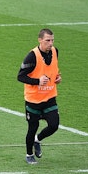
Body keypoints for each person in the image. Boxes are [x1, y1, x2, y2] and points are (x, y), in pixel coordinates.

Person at [17, 29, 61, 165]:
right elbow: (20, 76)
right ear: (40, 40)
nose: (51, 43)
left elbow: (53, 70)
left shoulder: (55, 52)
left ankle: (38, 139)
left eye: (52, 40)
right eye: (48, 40)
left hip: (49, 97)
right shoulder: (32, 56)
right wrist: (37, 81)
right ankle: (29, 154)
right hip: (33, 100)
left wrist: (57, 78)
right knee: (32, 127)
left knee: (54, 125)